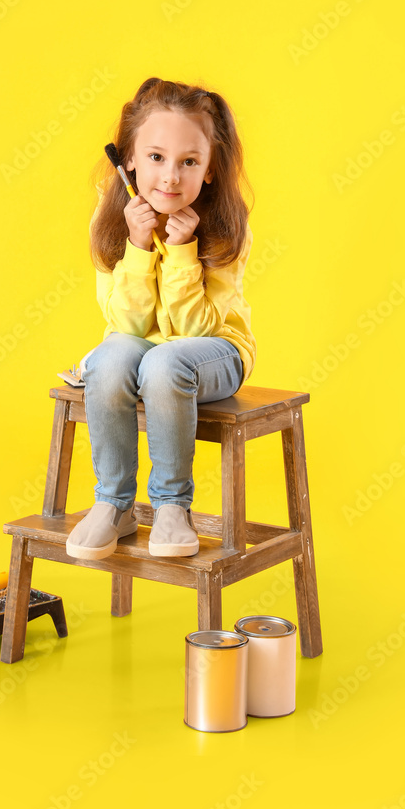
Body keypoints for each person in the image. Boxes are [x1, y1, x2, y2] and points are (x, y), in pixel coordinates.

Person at [66, 77, 256, 561]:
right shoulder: (109, 220)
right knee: (109, 361)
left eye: (189, 161)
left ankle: (173, 506)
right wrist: (136, 245)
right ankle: (114, 503)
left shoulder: (228, 226)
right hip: (143, 349)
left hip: (215, 352)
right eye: (156, 158)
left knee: (164, 364)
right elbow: (127, 326)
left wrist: (179, 252)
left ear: (210, 169)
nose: (170, 176)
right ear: (128, 158)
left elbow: (195, 330)